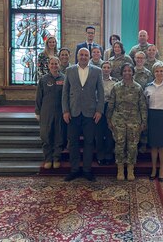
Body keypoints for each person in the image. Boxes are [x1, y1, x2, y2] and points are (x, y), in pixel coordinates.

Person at [62, 48, 104, 182]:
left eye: (86, 55)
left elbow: (101, 93)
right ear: (77, 56)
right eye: (81, 55)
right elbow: (65, 93)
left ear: (89, 56)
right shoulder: (69, 71)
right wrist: (65, 110)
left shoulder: (97, 71)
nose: (84, 57)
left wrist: (99, 111)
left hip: (90, 113)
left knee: (89, 142)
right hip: (73, 112)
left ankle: (87, 170)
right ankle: (74, 170)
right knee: (73, 142)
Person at [107, 63, 147, 181]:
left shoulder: (138, 87)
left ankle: (130, 169)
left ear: (133, 72)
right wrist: (108, 119)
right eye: (125, 71)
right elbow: (111, 104)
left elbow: (143, 106)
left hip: (134, 121)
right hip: (118, 120)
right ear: (122, 72)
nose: (127, 73)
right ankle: (120, 169)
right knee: (119, 145)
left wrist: (144, 121)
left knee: (132, 146)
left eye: (129, 71)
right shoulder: (116, 87)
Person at [35, 56, 64, 169]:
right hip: (46, 111)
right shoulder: (43, 80)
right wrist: (37, 112)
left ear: (59, 65)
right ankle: (48, 158)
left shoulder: (64, 78)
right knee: (46, 135)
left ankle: (56, 158)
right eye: (52, 64)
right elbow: (39, 97)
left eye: (56, 63)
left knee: (59, 135)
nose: (54, 66)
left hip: (60, 111)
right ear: (48, 65)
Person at [95, 61, 117, 166]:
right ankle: (100, 155)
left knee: (109, 133)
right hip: (98, 108)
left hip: (110, 108)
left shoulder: (115, 82)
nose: (106, 69)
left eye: (108, 67)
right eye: (104, 67)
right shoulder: (96, 81)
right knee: (99, 134)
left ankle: (108, 155)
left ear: (111, 69)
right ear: (101, 69)